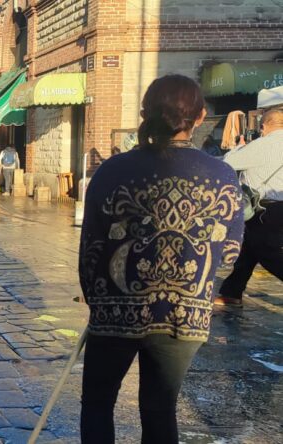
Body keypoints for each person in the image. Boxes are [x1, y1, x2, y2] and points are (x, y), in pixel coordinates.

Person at [78, 75, 244, 443]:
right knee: (159, 407)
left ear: (144, 113)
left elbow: (91, 248)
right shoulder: (222, 176)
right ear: (200, 117)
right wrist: (201, 290)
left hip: (114, 308)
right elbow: (229, 254)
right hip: (183, 315)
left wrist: (97, 300)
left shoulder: (110, 172)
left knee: (98, 403)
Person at [216, 107, 283, 306]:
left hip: (266, 209)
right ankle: (231, 292)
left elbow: (228, 163)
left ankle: (232, 292)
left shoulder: (262, 145)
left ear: (264, 126)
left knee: (267, 252)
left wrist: (239, 146)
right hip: (276, 208)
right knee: (248, 249)